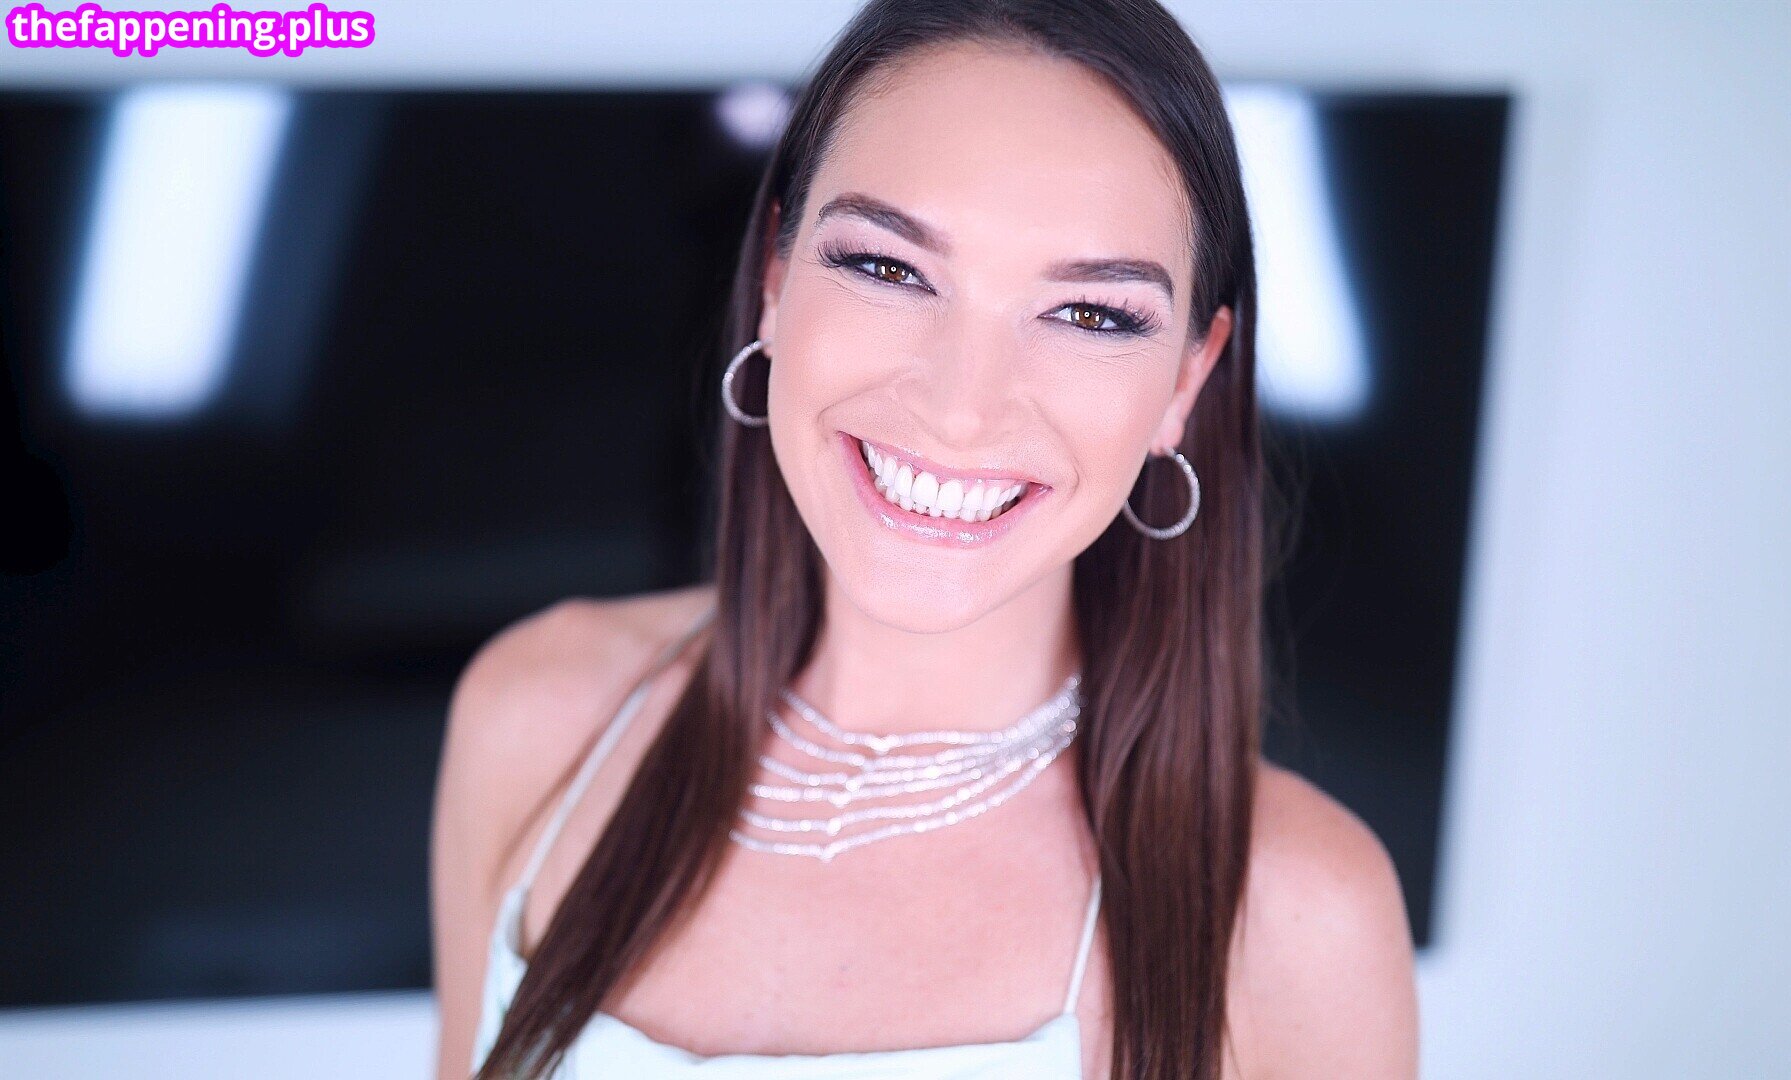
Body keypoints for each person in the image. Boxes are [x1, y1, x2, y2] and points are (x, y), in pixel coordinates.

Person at [432, 1, 1417, 1076]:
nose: (960, 409)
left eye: (1090, 314)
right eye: (889, 268)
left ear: (1187, 378)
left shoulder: (1298, 918)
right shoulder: (537, 717)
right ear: (775, 278)